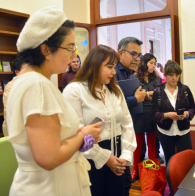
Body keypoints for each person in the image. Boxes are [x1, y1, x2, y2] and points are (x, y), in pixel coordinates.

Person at [6, 6, 101, 196]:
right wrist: (83, 136)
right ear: (46, 50)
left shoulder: (31, 81)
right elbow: (48, 157)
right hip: (48, 188)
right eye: (70, 48)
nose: (74, 56)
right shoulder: (37, 85)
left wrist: (75, 136)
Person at [63, 44, 136, 196]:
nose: (113, 72)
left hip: (118, 156)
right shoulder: (75, 90)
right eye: (109, 66)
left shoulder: (114, 90)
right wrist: (104, 157)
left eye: (114, 66)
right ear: (94, 65)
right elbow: (73, 132)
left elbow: (127, 123)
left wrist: (125, 155)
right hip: (89, 157)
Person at [151, 60, 195, 166]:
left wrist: (186, 114)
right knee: (170, 161)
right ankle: (171, 182)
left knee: (186, 161)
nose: (174, 78)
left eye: (177, 75)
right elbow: (154, 115)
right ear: (166, 75)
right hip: (165, 132)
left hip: (183, 131)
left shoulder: (185, 89)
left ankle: (186, 182)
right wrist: (167, 115)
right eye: (171, 75)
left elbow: (193, 109)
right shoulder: (158, 92)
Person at [115, 37, 145, 196]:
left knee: (125, 184)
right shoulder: (113, 74)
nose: (137, 59)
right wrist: (135, 100)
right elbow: (111, 108)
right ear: (120, 53)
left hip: (125, 135)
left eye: (139, 55)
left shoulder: (132, 75)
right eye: (133, 54)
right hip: (112, 139)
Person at [131, 53, 162, 182]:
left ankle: (152, 170)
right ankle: (136, 171)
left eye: (155, 63)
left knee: (152, 144)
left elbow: (159, 95)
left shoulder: (157, 79)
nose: (153, 66)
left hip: (152, 113)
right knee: (138, 145)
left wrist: (146, 94)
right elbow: (133, 96)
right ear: (144, 63)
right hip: (138, 114)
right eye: (151, 63)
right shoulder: (134, 78)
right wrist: (150, 95)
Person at [2, 58, 28, 136]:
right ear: (17, 72)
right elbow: (8, 111)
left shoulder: (27, 83)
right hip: (14, 129)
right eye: (25, 70)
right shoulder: (10, 87)